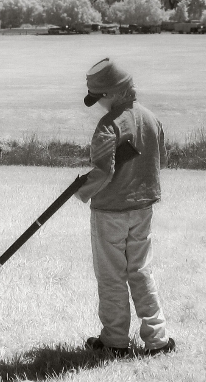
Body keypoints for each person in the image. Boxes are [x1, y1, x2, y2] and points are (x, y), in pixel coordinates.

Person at [74, 57, 175, 358]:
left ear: (112, 94)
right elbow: (159, 161)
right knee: (141, 271)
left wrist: (81, 190)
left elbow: (103, 172)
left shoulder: (108, 126)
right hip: (143, 208)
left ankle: (115, 341)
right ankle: (157, 339)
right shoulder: (151, 119)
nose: (100, 105)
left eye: (100, 98)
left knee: (111, 276)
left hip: (110, 212)